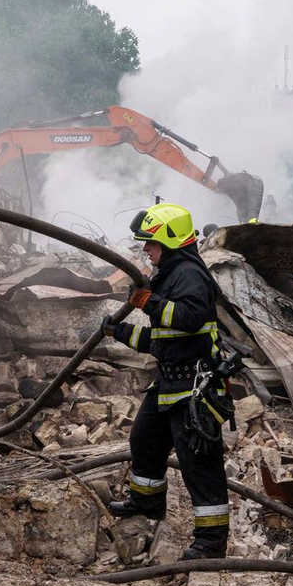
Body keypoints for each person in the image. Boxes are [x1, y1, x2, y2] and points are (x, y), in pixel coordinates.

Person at [104, 203, 233, 560]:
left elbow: (190, 318)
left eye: (150, 243)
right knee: (144, 439)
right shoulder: (169, 275)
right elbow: (163, 340)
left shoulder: (188, 274)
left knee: (199, 463)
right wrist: (120, 331)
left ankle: (211, 542)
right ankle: (146, 503)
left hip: (194, 386)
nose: (145, 250)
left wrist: (149, 302)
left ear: (170, 241)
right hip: (169, 381)